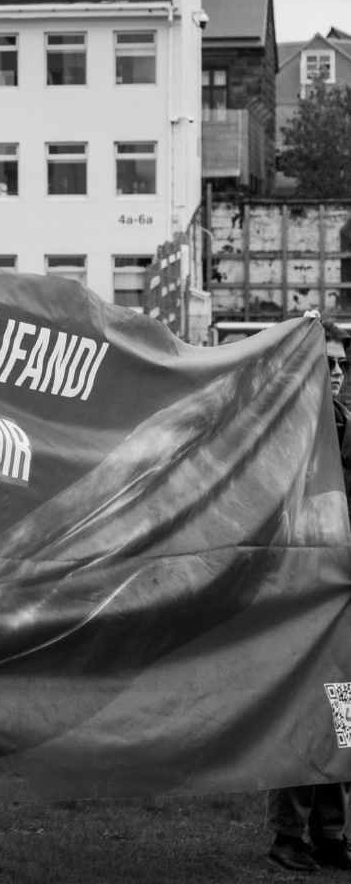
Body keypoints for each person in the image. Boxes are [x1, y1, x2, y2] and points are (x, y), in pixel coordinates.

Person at [266, 318, 351, 872]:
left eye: (343, 363)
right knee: (302, 716)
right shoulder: (284, 438)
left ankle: (330, 832)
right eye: (328, 363)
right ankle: (288, 836)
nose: (339, 373)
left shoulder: (345, 423)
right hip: (303, 602)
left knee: (343, 718)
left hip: (343, 603)